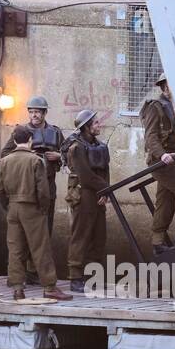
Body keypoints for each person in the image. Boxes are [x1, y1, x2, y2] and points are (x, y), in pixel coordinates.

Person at [0, 125, 72, 301]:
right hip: (32, 208)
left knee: (15, 249)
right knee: (40, 248)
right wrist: (43, 209)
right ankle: (50, 287)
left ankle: (17, 288)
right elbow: (43, 192)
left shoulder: (4, 161)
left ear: (14, 140)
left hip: (13, 208)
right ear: (30, 140)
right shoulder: (36, 161)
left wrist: (8, 206)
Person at [141, 73, 175, 255]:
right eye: (171, 85)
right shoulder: (155, 107)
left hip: (173, 162)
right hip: (160, 162)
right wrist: (163, 155)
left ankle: (157, 242)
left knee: (165, 201)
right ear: (164, 87)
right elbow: (151, 137)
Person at [2, 94, 65, 234]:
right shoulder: (21, 131)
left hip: (48, 184)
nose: (33, 115)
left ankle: (43, 254)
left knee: (46, 226)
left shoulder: (56, 132)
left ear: (44, 113)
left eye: (37, 112)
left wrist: (59, 156)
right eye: (31, 112)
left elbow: (69, 154)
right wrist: (27, 156)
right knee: (28, 229)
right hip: (27, 185)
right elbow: (5, 154)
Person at [65, 108, 109, 294]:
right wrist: (104, 188)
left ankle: (94, 276)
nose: (99, 125)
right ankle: (75, 278)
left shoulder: (100, 146)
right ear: (87, 127)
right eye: (96, 123)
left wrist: (106, 192)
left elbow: (105, 170)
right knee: (81, 236)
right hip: (84, 196)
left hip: (98, 195)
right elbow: (85, 176)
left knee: (99, 236)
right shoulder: (77, 148)